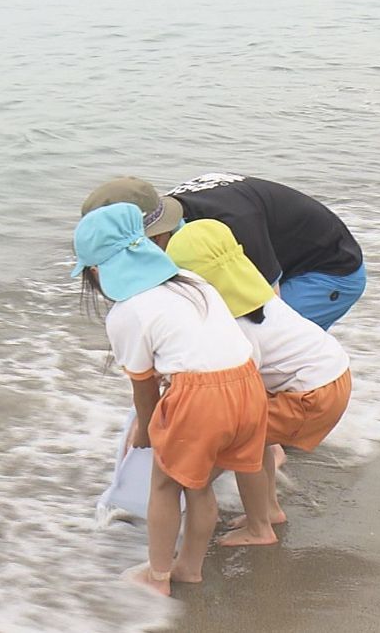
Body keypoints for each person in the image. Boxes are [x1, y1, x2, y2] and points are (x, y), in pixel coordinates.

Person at [73, 203, 269, 596]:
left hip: (201, 399)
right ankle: (189, 568)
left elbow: (144, 389)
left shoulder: (127, 312)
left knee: (166, 486)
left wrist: (145, 433)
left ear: (97, 271)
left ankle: (158, 575)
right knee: (199, 486)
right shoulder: (192, 281)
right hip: (249, 385)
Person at [165, 219, 352, 544]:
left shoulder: (238, 326)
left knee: (240, 442)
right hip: (332, 377)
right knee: (258, 434)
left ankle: (259, 529)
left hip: (312, 395)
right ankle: (268, 510)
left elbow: (239, 390)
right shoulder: (262, 301)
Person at [80, 173, 365, 330]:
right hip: (285, 253)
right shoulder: (159, 210)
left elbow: (268, 307)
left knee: (258, 342)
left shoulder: (231, 224)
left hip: (329, 270)